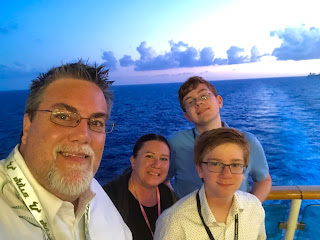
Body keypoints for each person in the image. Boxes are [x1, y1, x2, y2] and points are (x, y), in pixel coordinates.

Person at [0, 62, 132, 240]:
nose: (83, 135)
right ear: (27, 126)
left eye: (96, 122)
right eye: (63, 116)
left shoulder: (96, 195)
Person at [166, 76, 272, 202]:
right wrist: (175, 204)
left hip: (236, 219)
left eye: (204, 96)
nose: (198, 102)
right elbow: (162, 179)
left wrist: (249, 210)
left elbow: (263, 180)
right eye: (190, 102)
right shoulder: (175, 143)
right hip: (187, 219)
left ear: (219, 101)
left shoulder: (248, 141)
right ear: (187, 116)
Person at [155, 128, 266, 240]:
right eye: (215, 164)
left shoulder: (254, 208)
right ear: (199, 170)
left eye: (235, 165)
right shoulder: (173, 222)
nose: (226, 174)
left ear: (244, 171)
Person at [103, 134, 176, 240]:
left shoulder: (168, 196)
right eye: (149, 156)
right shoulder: (110, 197)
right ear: (133, 161)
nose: (156, 164)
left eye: (164, 159)